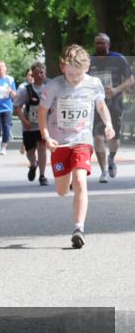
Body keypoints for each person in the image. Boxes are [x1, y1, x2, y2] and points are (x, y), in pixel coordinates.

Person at [38, 44, 115, 249]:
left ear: (86, 69)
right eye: (70, 74)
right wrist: (46, 136)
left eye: (78, 74)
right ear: (63, 67)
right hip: (59, 143)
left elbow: (101, 106)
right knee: (62, 191)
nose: (74, 78)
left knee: (81, 180)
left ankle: (78, 228)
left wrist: (108, 125)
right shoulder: (54, 86)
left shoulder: (94, 84)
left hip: (82, 140)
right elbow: (42, 112)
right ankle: (69, 177)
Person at [89, 32, 133, 182]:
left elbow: (130, 80)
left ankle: (111, 159)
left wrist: (115, 90)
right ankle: (103, 171)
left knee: (113, 137)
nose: (99, 46)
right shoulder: (89, 60)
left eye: (102, 43)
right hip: (96, 104)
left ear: (108, 44)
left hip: (115, 103)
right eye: (97, 43)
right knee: (98, 136)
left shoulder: (118, 59)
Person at [14, 61, 49, 186]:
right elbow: (17, 107)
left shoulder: (49, 88)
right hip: (29, 126)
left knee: (42, 148)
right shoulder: (25, 90)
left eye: (42, 72)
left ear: (44, 73)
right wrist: (25, 121)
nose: (39, 75)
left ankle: (42, 175)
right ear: (32, 75)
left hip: (42, 125)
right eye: (36, 73)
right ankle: (33, 165)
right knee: (30, 151)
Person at [0, 60, 17, 155]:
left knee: (6, 128)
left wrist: (10, 91)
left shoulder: (10, 79)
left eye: (2, 66)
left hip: (7, 107)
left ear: (5, 68)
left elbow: (14, 95)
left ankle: (4, 147)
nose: (1, 68)